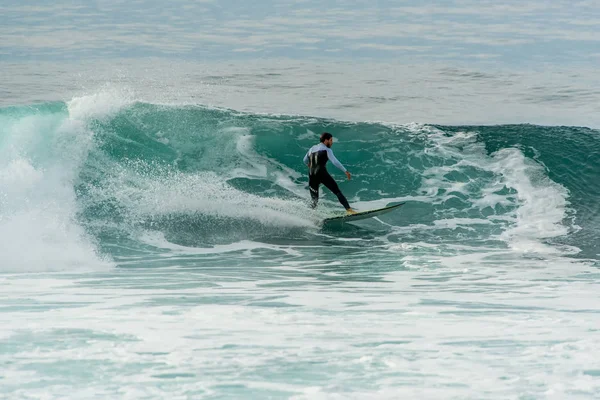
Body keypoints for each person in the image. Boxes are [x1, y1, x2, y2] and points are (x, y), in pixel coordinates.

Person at [303, 132, 357, 214]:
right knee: (337, 191)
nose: (332, 142)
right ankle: (349, 210)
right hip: (321, 172)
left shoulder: (312, 149)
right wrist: (345, 171)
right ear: (326, 140)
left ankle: (309, 215)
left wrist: (309, 164)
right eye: (331, 140)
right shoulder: (327, 149)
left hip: (311, 174)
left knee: (314, 200)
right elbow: (335, 161)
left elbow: (305, 160)